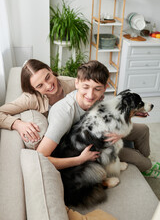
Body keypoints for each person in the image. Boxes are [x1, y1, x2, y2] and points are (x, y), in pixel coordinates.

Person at [0, 59, 117, 220]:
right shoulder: (31, 99)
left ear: (50, 69)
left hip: (86, 130)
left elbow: (91, 92)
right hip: (67, 141)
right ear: (34, 89)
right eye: (40, 85)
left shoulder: (71, 83)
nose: (48, 86)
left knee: (140, 131)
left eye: (48, 77)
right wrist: (17, 123)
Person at [36, 60, 160, 179]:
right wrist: (79, 160)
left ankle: (146, 158)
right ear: (77, 83)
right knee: (138, 158)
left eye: (97, 89)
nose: (90, 95)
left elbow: (112, 115)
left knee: (143, 130)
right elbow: (40, 157)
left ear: (105, 88)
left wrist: (120, 133)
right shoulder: (63, 113)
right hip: (87, 145)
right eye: (86, 87)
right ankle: (147, 166)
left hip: (99, 132)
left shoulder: (97, 99)